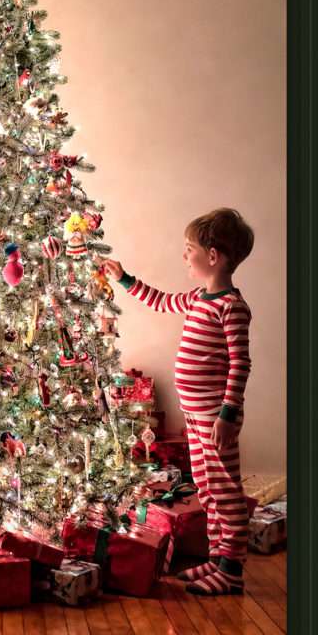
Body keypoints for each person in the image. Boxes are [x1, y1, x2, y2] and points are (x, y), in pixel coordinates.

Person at [102, 208, 254, 595]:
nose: (184, 256)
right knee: (205, 488)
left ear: (213, 256)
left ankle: (232, 569)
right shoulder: (200, 297)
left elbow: (240, 363)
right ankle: (218, 560)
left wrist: (227, 414)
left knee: (225, 490)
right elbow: (161, 300)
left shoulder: (230, 307)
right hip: (196, 414)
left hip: (214, 417)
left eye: (189, 250)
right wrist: (124, 279)